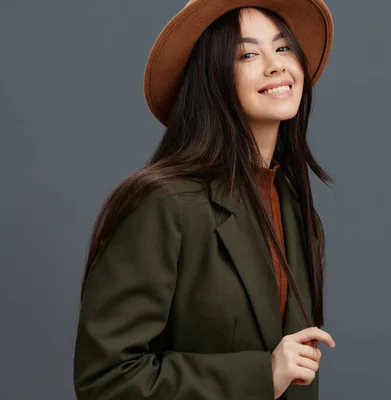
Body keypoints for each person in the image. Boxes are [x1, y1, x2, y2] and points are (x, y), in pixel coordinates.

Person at [73, 1, 336, 399]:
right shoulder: (165, 203)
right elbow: (107, 378)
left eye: (283, 48)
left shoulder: (301, 217)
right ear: (212, 79)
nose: (276, 65)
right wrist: (261, 373)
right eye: (248, 54)